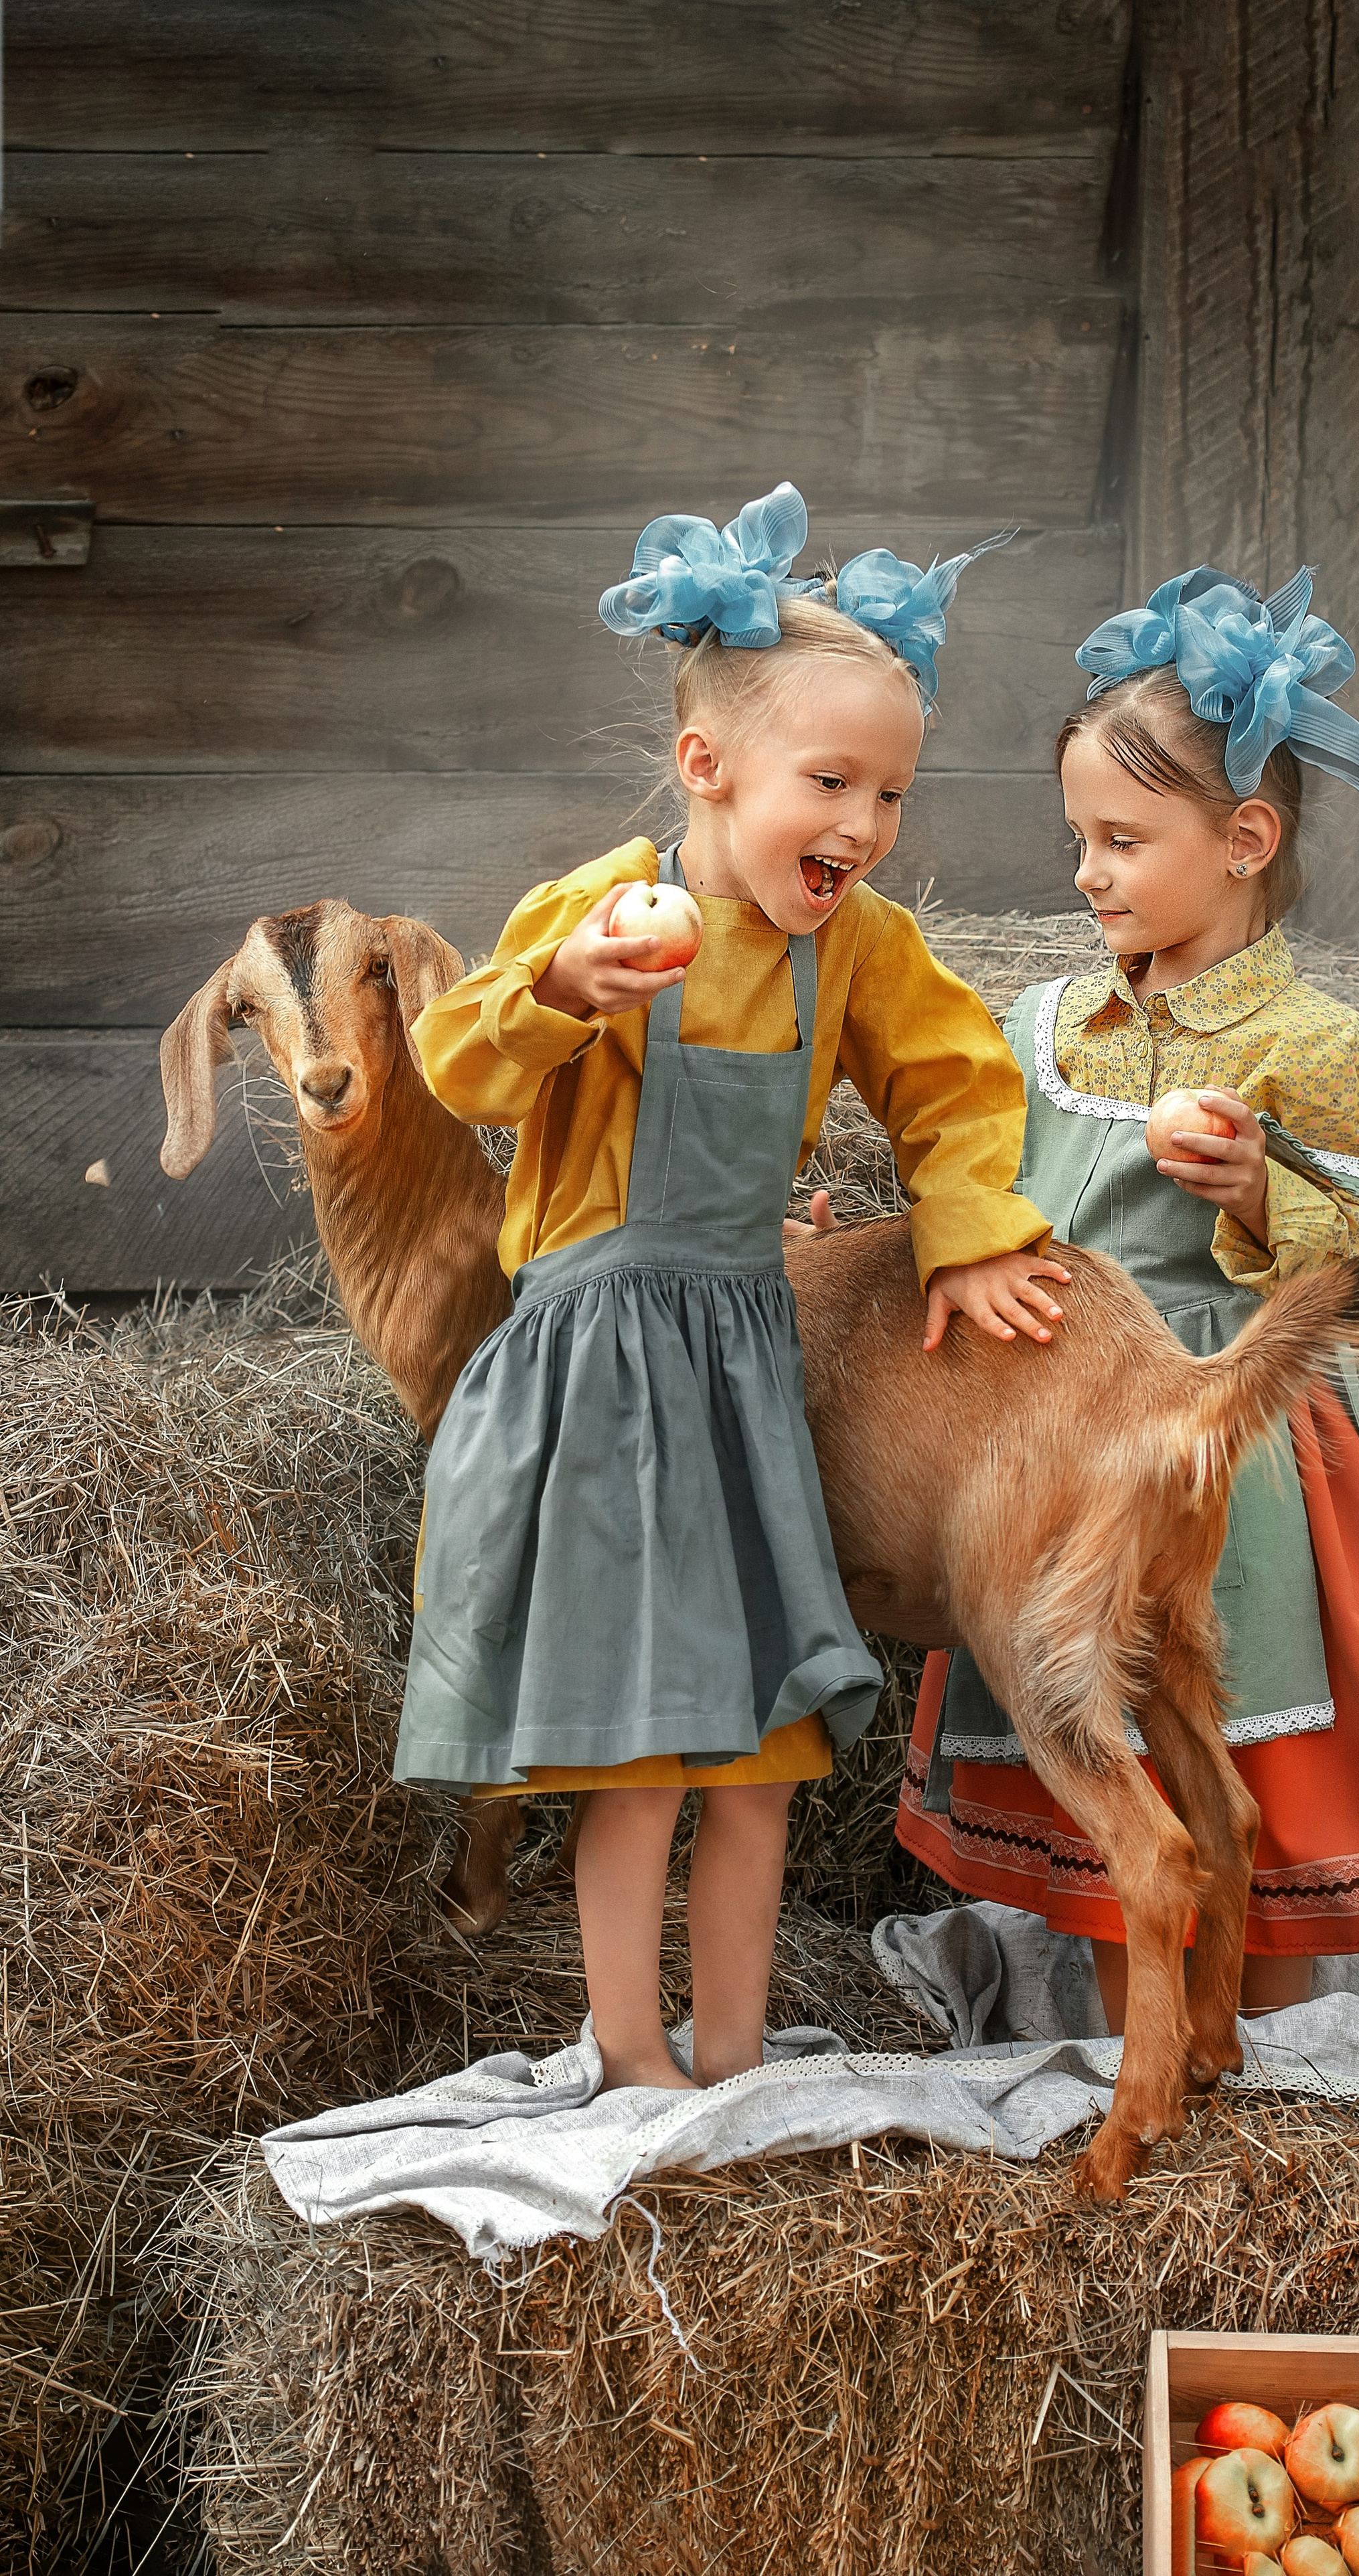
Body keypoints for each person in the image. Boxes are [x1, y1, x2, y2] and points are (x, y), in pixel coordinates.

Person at [394, 482, 1066, 2093]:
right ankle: (633, 2057)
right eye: (829, 782)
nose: (864, 823)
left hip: (744, 1372)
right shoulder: (599, 911)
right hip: (602, 1383)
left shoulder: (861, 946)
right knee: (641, 1761)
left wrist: (971, 1226)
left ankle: (738, 2055)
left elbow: (957, 1081)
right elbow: (459, 1066)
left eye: (890, 793)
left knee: (757, 1758)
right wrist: (564, 987)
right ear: (706, 766)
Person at [895, 564, 1359, 2033]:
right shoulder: (1038, 1025)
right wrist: (917, 1241)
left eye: (1123, 840)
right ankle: (1142, 2039)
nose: (1088, 874)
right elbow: (987, 1199)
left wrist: (1251, 1193)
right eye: (1078, 840)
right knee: (1099, 1746)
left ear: (1244, 841)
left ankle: (1274, 2049)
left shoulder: (1319, 1048)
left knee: (1243, 1755)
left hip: (1232, 1452)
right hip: (1065, 1444)